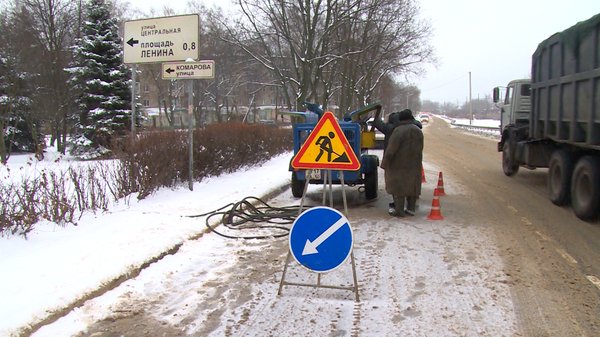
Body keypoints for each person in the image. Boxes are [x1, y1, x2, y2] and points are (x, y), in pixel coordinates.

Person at [380, 110, 424, 217]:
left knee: (398, 186)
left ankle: (399, 210)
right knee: (412, 185)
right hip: (415, 163)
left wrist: (385, 163)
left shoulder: (398, 131)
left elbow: (391, 149)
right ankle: (411, 209)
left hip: (398, 164)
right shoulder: (418, 131)